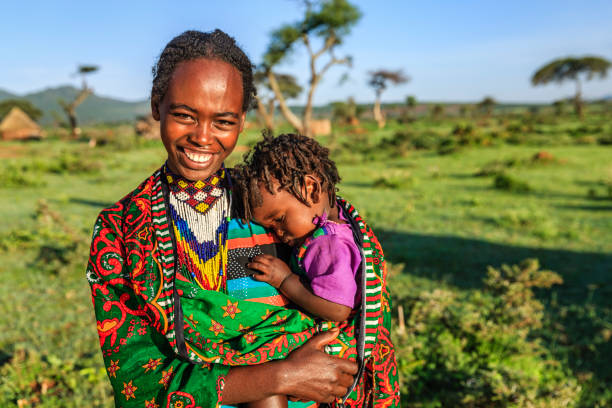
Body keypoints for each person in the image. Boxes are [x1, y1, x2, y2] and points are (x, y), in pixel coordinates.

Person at [86, 29, 359, 408]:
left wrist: (312, 368)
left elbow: (354, 312)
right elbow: (137, 377)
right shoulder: (120, 230)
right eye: (184, 115)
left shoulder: (277, 205)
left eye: (223, 122)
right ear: (155, 106)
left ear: (243, 121)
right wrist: (279, 376)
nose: (202, 137)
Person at [232, 133, 399, 408]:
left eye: (280, 220)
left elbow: (336, 309)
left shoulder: (327, 242)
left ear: (311, 189)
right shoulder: (336, 223)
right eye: (271, 228)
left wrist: (285, 280)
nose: (280, 233)